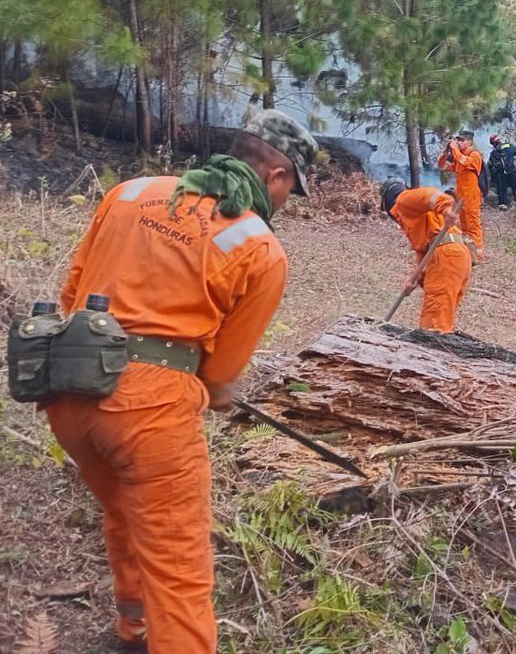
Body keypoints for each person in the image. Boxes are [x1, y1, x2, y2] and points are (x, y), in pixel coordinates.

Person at [44, 110, 318, 653]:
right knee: (180, 570)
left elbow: (71, 292)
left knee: (125, 513)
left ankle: (133, 633)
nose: (285, 203)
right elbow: (218, 375)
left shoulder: (129, 191)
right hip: (149, 417)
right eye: (291, 191)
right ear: (276, 177)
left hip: (65, 390)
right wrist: (217, 393)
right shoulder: (260, 246)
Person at [380, 179, 472, 332]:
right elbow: (424, 250)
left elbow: (429, 194)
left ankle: (432, 353)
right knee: (442, 320)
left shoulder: (403, 200)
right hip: (454, 255)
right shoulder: (413, 217)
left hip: (446, 256)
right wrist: (416, 277)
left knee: (434, 325)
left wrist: (446, 209)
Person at [437, 129, 485, 259]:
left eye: (462, 140)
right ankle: (469, 250)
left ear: (469, 141)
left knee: (473, 224)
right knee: (463, 224)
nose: (459, 142)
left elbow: (464, 162)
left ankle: (479, 252)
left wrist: (455, 150)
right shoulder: (459, 155)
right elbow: (442, 166)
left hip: (472, 195)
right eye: (458, 140)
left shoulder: (474, 155)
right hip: (461, 196)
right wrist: (445, 152)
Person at [488, 133, 516, 210]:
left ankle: (502, 204)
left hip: (502, 173)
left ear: (493, 143)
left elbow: (490, 164)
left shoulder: (494, 152)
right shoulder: (510, 145)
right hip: (512, 170)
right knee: (515, 186)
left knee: (502, 188)